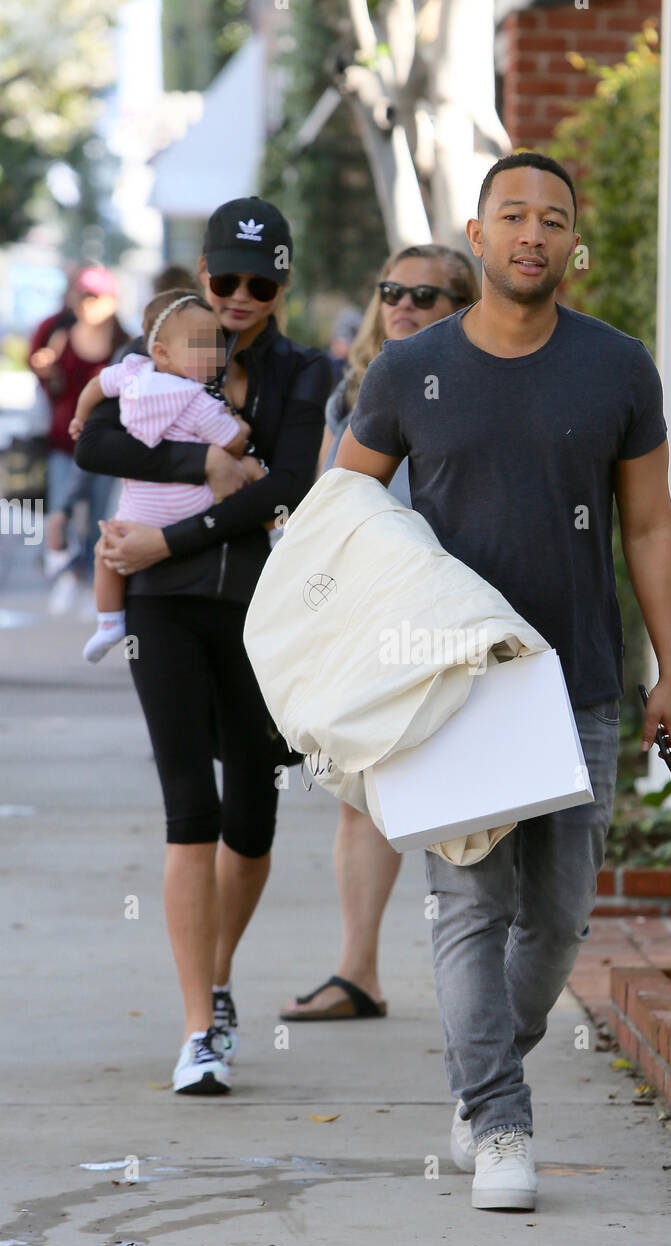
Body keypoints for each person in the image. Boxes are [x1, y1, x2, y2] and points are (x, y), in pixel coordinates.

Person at [333, 151, 671, 1211]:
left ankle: (481, 1064)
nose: (532, 233)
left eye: (552, 219)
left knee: (559, 917)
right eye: (511, 216)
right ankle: (496, 1120)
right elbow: (343, 518)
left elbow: (647, 523)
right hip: (454, 685)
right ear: (478, 236)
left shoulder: (617, 367)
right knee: (468, 906)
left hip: (579, 677)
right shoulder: (408, 369)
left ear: (568, 245)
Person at [74, 196, 333, 1095]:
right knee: (191, 809)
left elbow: (291, 484)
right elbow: (95, 442)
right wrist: (202, 467)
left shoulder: (304, 373)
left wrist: (168, 537)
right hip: (164, 609)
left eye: (261, 284)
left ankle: (218, 977)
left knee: (253, 814)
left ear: (282, 284)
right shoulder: (163, 344)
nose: (240, 298)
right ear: (205, 273)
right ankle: (197, 1029)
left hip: (261, 613)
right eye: (227, 279)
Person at [280, 243, 479, 1024]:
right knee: (359, 792)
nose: (402, 304)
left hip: (463, 609)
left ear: (461, 306)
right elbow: (330, 506)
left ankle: (478, 988)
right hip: (374, 612)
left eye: (425, 296)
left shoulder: (480, 383)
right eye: (391, 290)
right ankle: (357, 972)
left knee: (466, 795)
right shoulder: (353, 392)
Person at [68, 291, 253, 662]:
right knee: (251, 470)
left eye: (217, 345)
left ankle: (108, 623)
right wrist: (240, 426)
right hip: (191, 505)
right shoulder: (197, 399)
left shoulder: (131, 373)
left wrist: (80, 417)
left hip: (140, 508)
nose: (215, 355)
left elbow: (94, 387)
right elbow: (231, 444)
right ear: (165, 353)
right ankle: (276, 530)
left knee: (106, 552)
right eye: (204, 347)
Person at [30, 266, 128, 609]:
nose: (87, 304)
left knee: (99, 515)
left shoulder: (123, 344)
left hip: (105, 445)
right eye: (83, 296)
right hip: (63, 442)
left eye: (95, 297)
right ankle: (68, 573)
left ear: (111, 301)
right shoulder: (61, 335)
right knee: (61, 510)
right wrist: (46, 372)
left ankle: (91, 578)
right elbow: (52, 388)